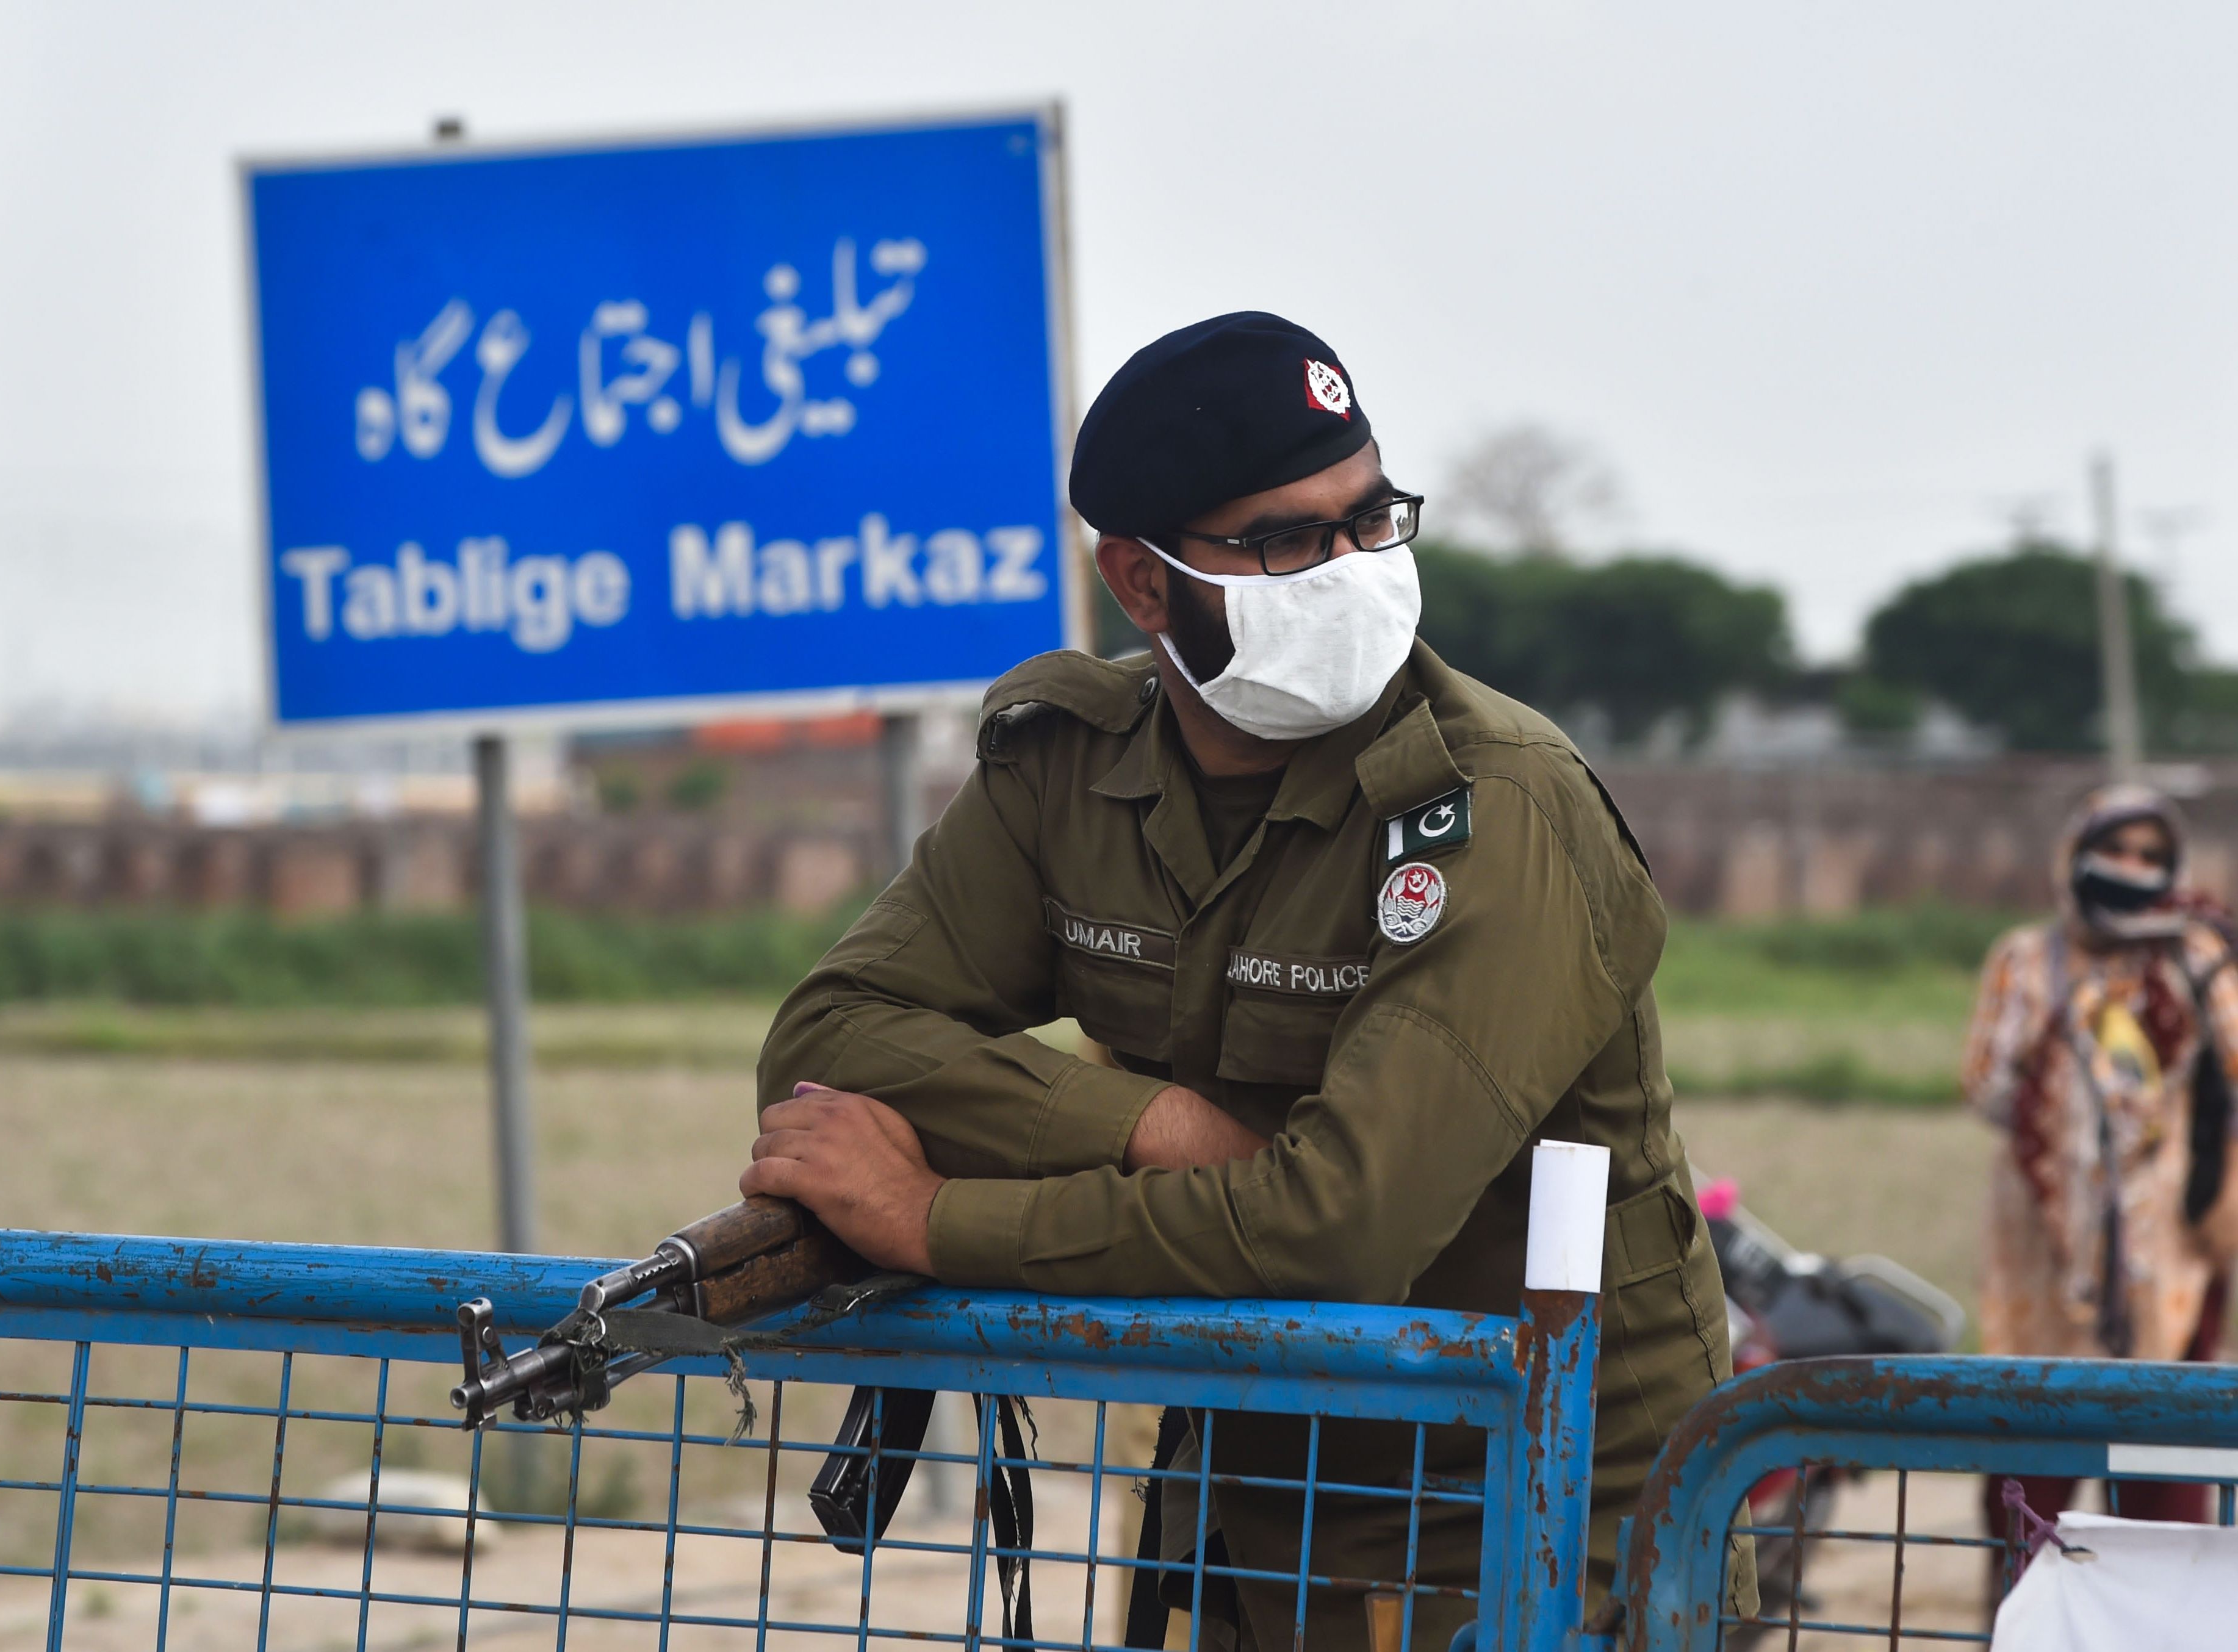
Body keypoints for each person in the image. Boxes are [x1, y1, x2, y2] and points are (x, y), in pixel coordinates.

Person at [742, 312, 1746, 1648]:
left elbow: (1339, 1233)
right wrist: (1165, 1130)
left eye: (1371, 516)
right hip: (1245, 1519)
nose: (1350, 569)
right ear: (1140, 584)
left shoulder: (1497, 806)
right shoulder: (1068, 767)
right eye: (1284, 539)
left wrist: (929, 1220)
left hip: (1531, 1537)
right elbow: (831, 1040)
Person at [1964, 785, 2238, 1554]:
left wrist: (2191, 980)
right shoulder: (2025, 958)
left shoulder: (2194, 955)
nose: (2131, 868)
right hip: (2041, 1254)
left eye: (2151, 856)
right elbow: (1983, 1083)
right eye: (2116, 849)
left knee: (2162, 1493)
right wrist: (2063, 1046)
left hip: (2167, 1256)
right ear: (2076, 856)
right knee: (2027, 1493)